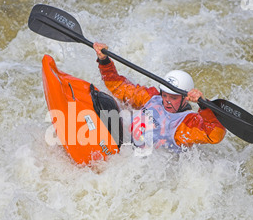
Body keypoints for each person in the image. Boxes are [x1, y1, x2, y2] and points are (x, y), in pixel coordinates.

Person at [93, 42, 226, 152]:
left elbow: (214, 135)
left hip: (146, 165)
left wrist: (204, 105)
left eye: (173, 97)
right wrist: (104, 60)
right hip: (125, 144)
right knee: (103, 102)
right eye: (165, 95)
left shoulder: (187, 124)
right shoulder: (152, 97)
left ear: (185, 98)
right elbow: (118, 86)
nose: (167, 100)